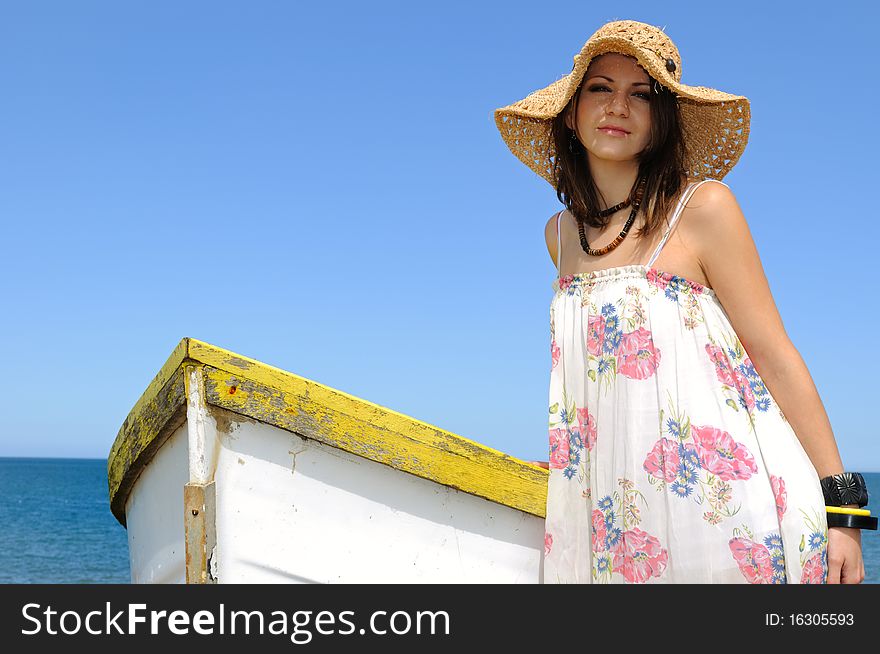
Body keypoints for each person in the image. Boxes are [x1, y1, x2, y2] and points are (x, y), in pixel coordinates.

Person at [494, 19, 872, 583]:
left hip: (728, 509)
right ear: (571, 115)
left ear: (660, 119)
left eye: (640, 94)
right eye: (600, 88)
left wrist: (844, 509)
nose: (618, 106)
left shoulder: (704, 208)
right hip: (618, 516)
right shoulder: (560, 235)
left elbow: (772, 352)